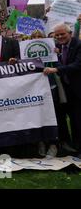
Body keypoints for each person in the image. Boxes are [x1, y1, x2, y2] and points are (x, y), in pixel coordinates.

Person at [43, 24, 81, 158]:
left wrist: (57, 69)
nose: (59, 37)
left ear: (70, 33)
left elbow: (77, 65)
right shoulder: (57, 47)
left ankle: (79, 149)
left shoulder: (78, 45)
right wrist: (57, 60)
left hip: (77, 90)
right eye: (57, 35)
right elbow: (58, 63)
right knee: (64, 120)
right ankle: (70, 147)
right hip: (64, 91)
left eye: (62, 34)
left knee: (77, 121)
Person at [30, 30, 59, 158]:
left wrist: (58, 53)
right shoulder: (26, 52)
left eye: (39, 37)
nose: (37, 38)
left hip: (51, 86)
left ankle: (54, 144)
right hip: (34, 88)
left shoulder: (52, 51)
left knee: (53, 114)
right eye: (34, 37)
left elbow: (60, 65)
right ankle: (41, 141)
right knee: (38, 115)